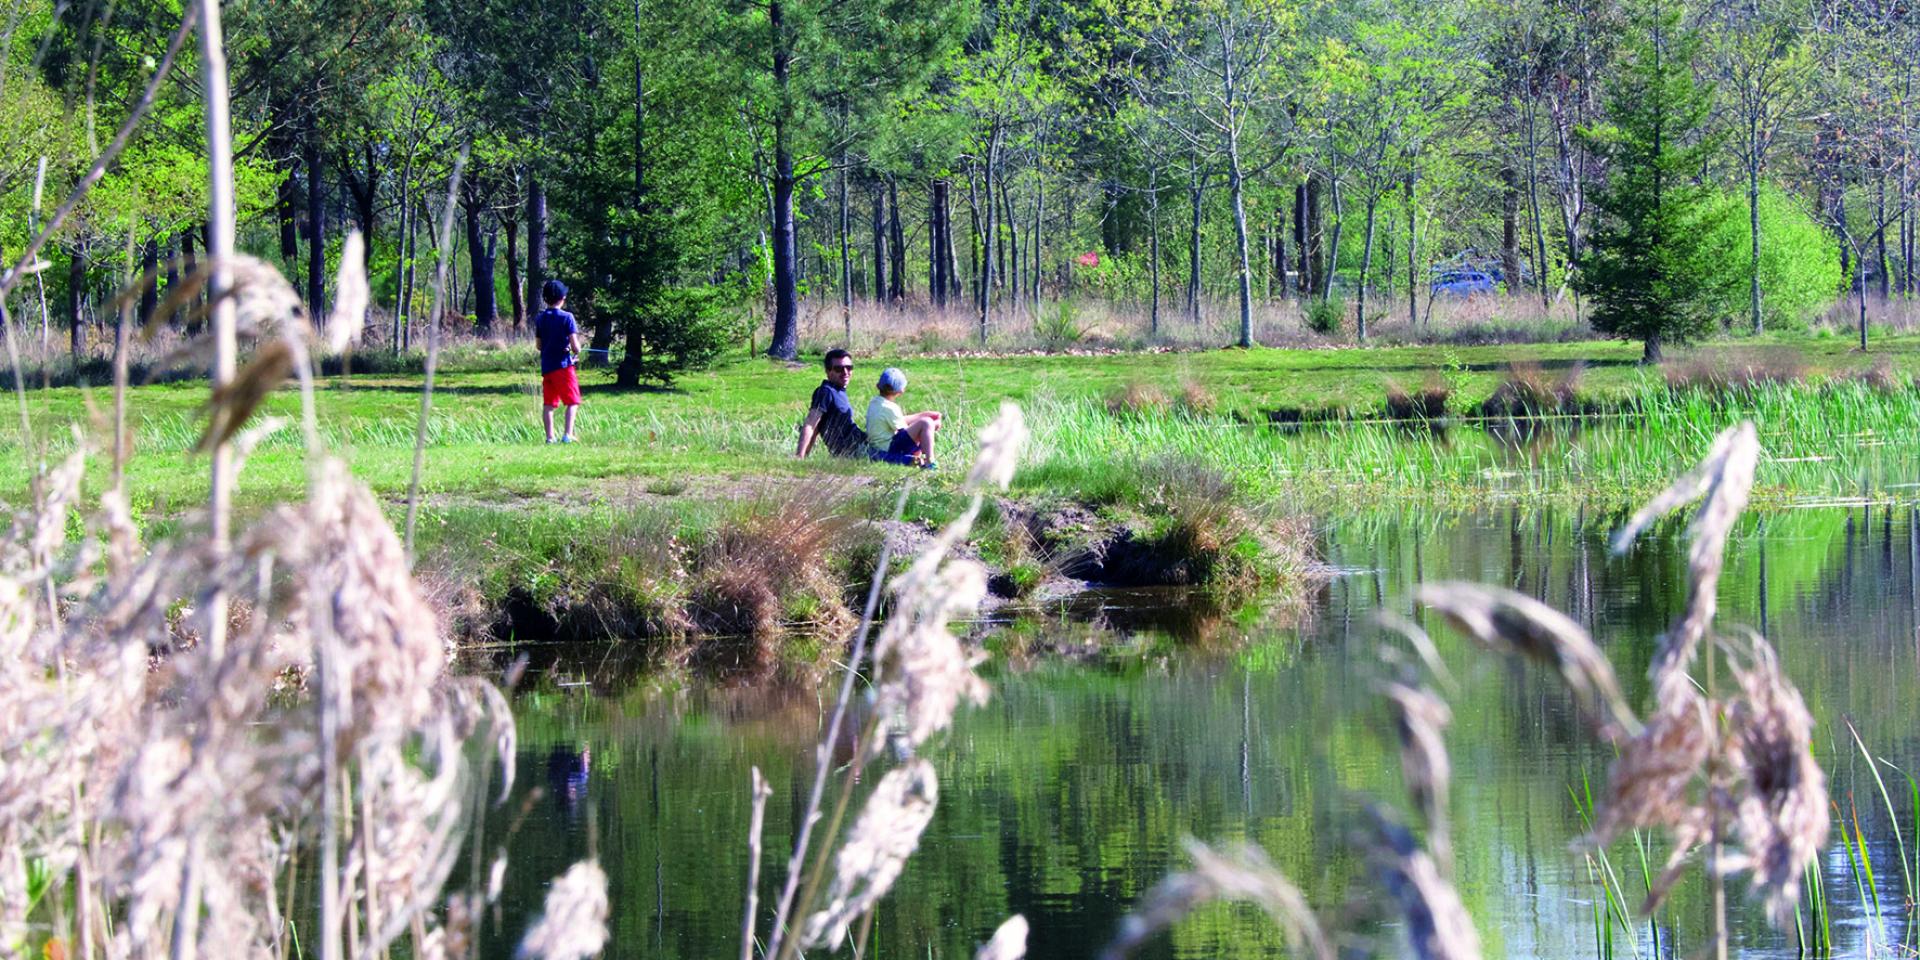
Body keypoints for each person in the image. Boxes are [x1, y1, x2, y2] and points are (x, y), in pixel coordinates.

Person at [534, 279, 582, 443]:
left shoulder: (540, 318)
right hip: (563, 367)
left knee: (549, 404)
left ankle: (550, 437)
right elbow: (576, 347)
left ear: (545, 298)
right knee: (573, 401)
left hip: (547, 367)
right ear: (563, 297)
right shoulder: (567, 317)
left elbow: (539, 345)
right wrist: (575, 350)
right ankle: (568, 435)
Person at [865, 366, 942, 468]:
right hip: (889, 448)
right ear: (901, 391)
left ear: (878, 385)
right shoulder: (891, 408)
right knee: (926, 423)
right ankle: (930, 461)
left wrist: (924, 414)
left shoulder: (875, 403)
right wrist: (930, 425)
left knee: (926, 421)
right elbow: (905, 431)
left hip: (878, 447)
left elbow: (900, 420)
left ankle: (919, 457)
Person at [796, 348, 867, 459]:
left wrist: (806, 454)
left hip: (863, 443)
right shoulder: (825, 392)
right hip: (855, 451)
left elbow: (816, 428)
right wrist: (800, 456)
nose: (845, 372)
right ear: (828, 371)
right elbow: (811, 424)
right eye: (839, 369)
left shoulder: (838, 391)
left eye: (849, 368)